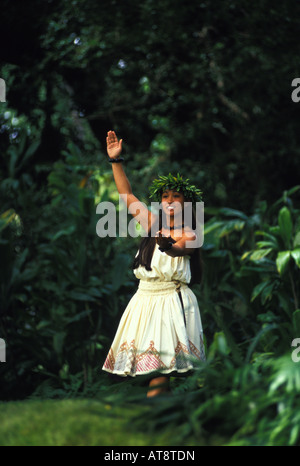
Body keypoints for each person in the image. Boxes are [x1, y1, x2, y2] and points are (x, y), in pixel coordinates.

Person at [102, 130, 205, 397]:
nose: (170, 201)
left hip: (171, 300)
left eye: (177, 197)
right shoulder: (151, 223)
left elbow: (180, 249)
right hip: (144, 300)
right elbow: (126, 194)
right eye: (165, 197)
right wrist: (116, 160)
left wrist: (168, 245)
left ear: (187, 203)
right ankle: (163, 417)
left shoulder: (190, 233)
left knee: (161, 369)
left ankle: (156, 418)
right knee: (157, 370)